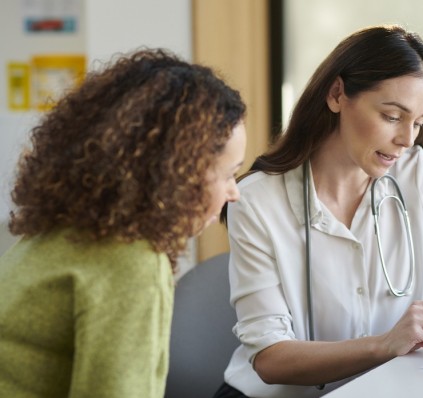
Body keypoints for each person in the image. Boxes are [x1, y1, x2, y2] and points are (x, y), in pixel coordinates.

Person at [215, 24, 423, 397]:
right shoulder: (256, 200)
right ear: (337, 94)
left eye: (419, 122)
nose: (407, 139)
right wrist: (386, 344)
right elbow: (270, 359)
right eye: (393, 116)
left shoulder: (418, 173)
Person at [0, 48, 246, 398]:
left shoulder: (60, 229)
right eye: (229, 175)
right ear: (177, 173)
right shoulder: (132, 262)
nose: (233, 193)